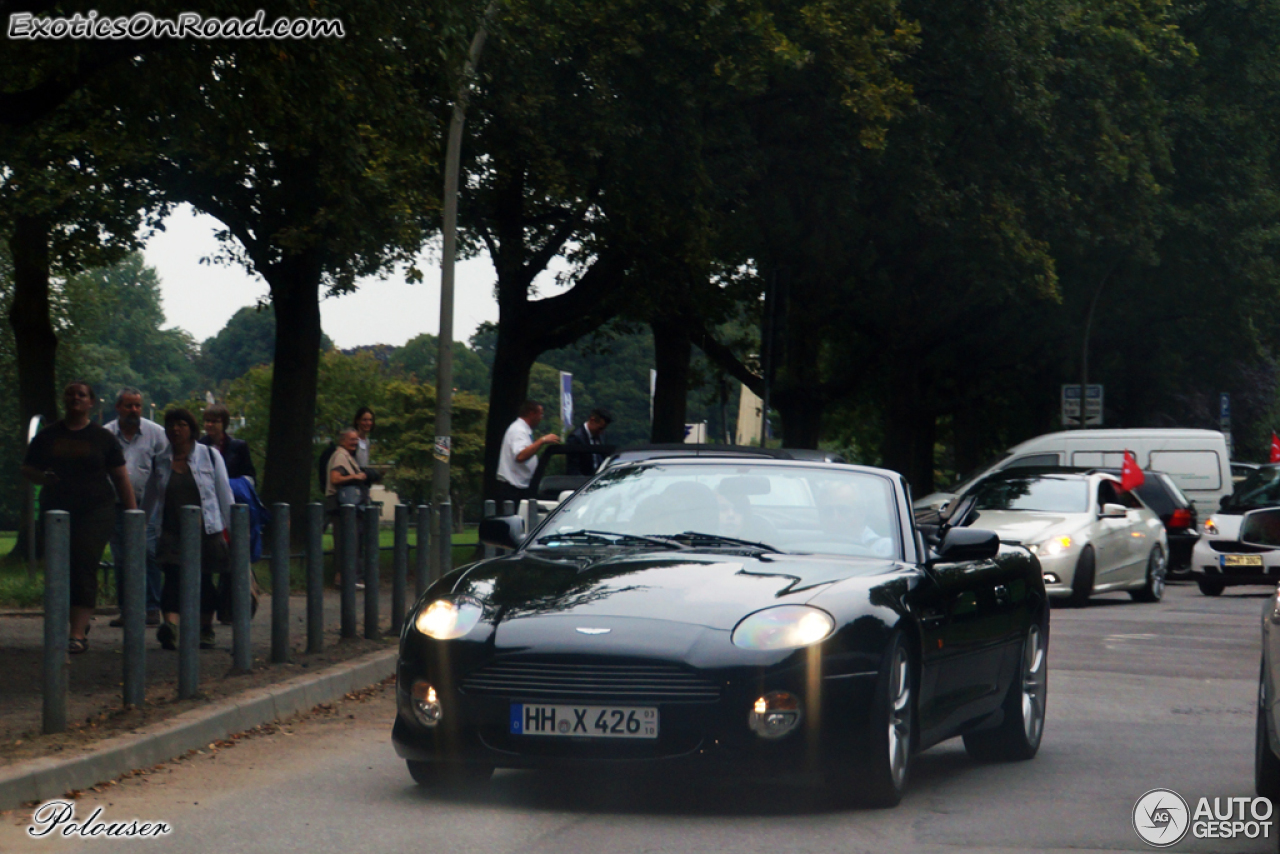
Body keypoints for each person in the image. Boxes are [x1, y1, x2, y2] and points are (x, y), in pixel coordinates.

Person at [21, 381, 136, 654]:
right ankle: (72, 620)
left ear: (90, 402)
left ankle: (76, 634)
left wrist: (133, 515)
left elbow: (120, 477)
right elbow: (28, 468)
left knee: (84, 563)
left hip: (95, 511)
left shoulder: (102, 438)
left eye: (81, 395)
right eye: (70, 394)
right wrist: (42, 477)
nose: (75, 398)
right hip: (56, 510)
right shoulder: (48, 435)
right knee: (59, 568)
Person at [143, 408, 234, 650]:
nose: (175, 429)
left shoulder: (210, 456)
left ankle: (205, 628)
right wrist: (139, 525)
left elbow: (224, 494)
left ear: (191, 429)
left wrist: (234, 530)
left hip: (207, 530)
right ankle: (171, 627)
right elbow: (150, 496)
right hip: (172, 531)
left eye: (181, 424)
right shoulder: (160, 460)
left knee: (204, 579)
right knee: (172, 577)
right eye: (171, 425)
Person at [104, 388, 167, 628]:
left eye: (138, 406)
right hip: (116, 504)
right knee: (121, 558)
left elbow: (164, 467)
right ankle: (127, 609)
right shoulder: (107, 434)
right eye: (129, 406)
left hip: (148, 504)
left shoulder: (156, 433)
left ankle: (152, 607)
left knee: (149, 553)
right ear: (118, 407)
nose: (134, 411)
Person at [495, 400, 560, 505]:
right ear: (532, 414)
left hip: (521, 486)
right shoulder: (518, 430)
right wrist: (542, 441)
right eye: (540, 414)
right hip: (514, 488)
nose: (541, 418)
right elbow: (520, 456)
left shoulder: (524, 429)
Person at [327, 429, 368, 589]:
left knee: (347, 541)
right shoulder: (340, 456)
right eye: (352, 440)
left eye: (357, 440)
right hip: (343, 507)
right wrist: (356, 477)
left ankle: (344, 578)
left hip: (347, 507)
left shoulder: (347, 456)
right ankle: (347, 579)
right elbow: (335, 478)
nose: (355, 443)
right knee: (348, 541)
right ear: (342, 440)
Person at [818, 482, 894, 558]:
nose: (835, 518)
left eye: (843, 510)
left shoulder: (886, 549)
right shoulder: (813, 548)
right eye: (827, 511)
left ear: (861, 513)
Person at [199, 403, 256, 485]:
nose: (210, 424)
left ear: (224, 423)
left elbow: (250, 478)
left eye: (214, 421)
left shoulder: (238, 447)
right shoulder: (199, 446)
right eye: (207, 420)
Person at [565, 407, 613, 476]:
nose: (601, 432)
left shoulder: (601, 436)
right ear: (592, 420)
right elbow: (573, 469)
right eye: (600, 428)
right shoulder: (576, 438)